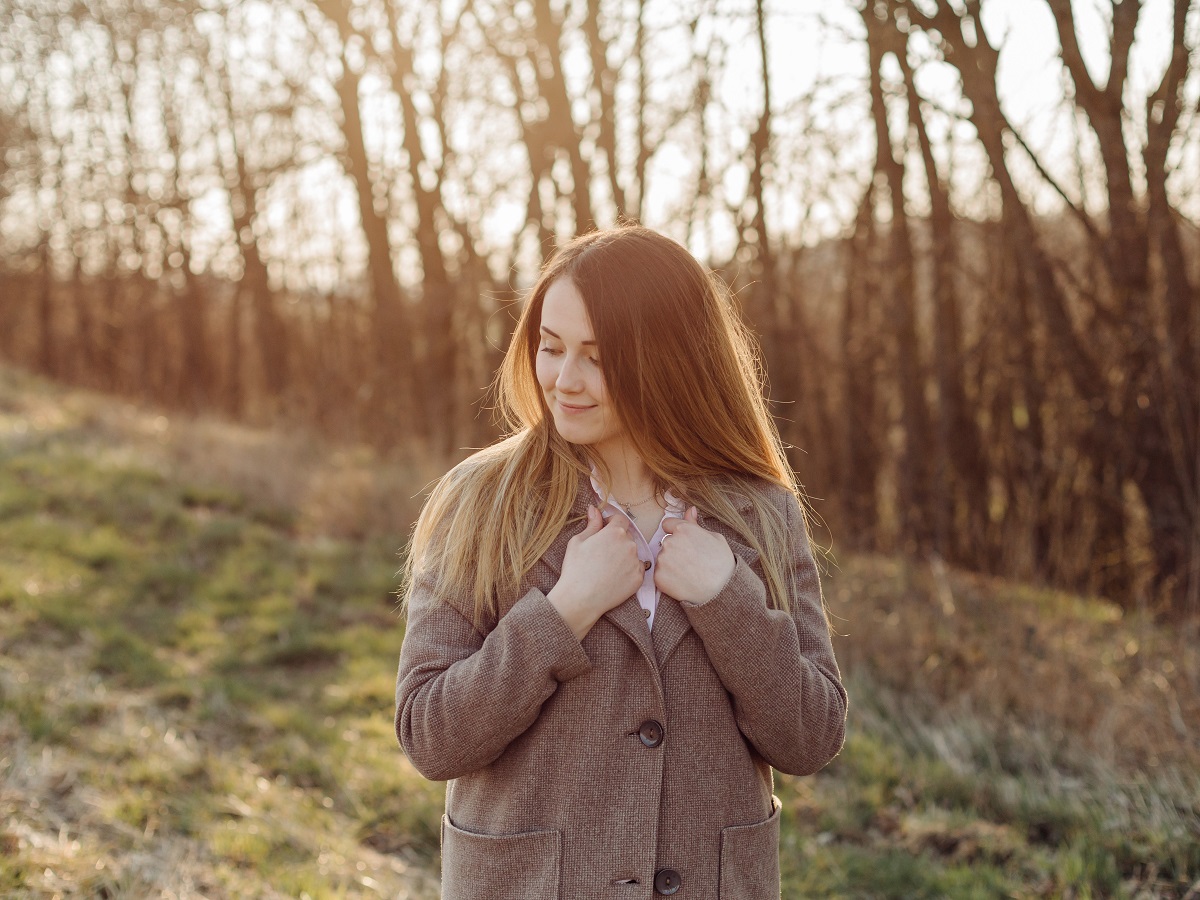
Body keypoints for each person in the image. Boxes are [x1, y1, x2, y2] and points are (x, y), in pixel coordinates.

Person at [395, 224, 846, 900]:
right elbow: (431, 735)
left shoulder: (760, 511)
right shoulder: (480, 503)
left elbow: (812, 736)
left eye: (597, 358)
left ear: (668, 362)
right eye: (551, 348)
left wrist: (726, 599)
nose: (564, 380)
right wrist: (562, 612)